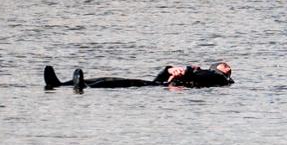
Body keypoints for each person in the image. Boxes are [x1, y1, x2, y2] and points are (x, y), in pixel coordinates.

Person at [42, 62, 233, 91]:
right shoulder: (206, 71)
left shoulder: (221, 78)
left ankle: (82, 87)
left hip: (155, 88)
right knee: (110, 78)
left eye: (226, 66)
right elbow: (161, 76)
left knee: (122, 83)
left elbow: (207, 79)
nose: (225, 64)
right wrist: (169, 69)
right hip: (157, 85)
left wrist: (188, 70)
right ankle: (60, 84)